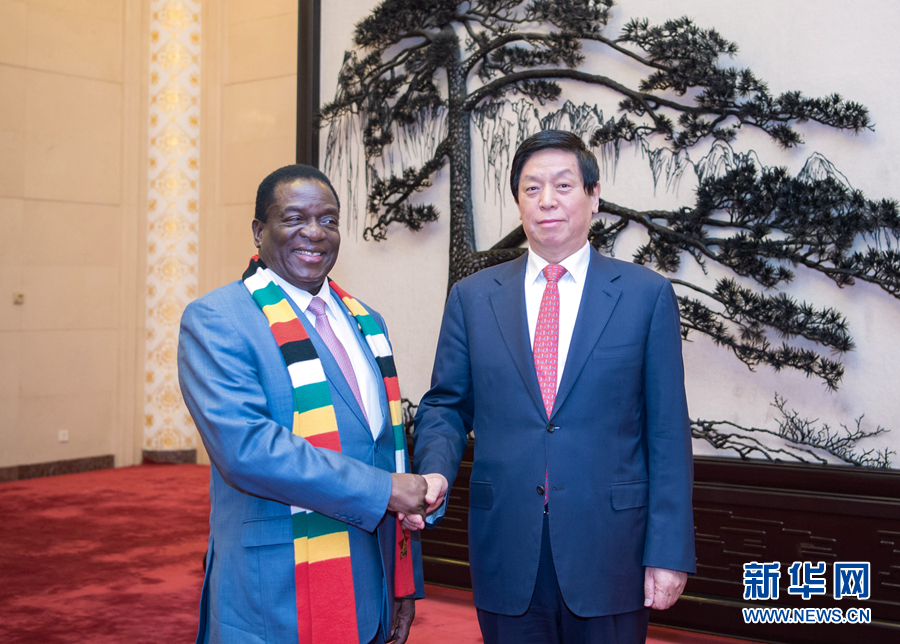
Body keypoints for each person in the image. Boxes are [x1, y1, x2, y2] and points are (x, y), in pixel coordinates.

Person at [410, 130, 696, 644]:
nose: (546, 201)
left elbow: (667, 433)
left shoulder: (645, 295)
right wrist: (434, 469)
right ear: (518, 201)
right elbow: (446, 405)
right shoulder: (473, 297)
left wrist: (669, 551)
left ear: (593, 196)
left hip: (612, 549)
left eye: (563, 185)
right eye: (531, 188)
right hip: (507, 543)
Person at [178, 164, 432, 644]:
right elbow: (246, 451)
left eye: (328, 220)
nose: (314, 233)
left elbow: (387, 450)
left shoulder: (367, 323)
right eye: (294, 218)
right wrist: (383, 490)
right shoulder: (217, 319)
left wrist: (404, 584)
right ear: (259, 231)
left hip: (371, 587)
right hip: (275, 593)